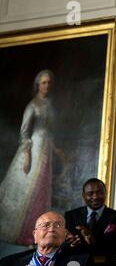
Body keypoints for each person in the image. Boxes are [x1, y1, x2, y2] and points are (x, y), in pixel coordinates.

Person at [0, 69, 65, 245]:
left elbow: (49, 132)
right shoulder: (33, 105)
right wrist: (27, 154)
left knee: (41, 188)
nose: (46, 86)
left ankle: (36, 235)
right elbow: (24, 131)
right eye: (43, 82)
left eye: (49, 82)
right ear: (38, 85)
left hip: (45, 150)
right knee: (28, 188)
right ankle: (22, 233)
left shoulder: (50, 105)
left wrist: (56, 149)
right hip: (34, 148)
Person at [0, 211, 92, 266]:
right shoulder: (8, 263)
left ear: (65, 235)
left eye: (58, 225)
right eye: (45, 225)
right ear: (35, 235)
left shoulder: (79, 263)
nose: (52, 229)